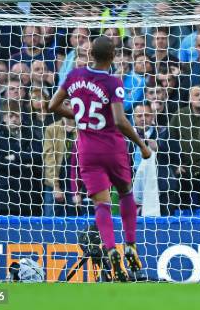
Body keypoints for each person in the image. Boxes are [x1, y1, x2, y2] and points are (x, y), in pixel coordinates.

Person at [48, 36, 152, 281]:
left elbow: (52, 105)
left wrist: (78, 115)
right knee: (126, 193)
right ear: (114, 55)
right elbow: (118, 120)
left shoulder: (74, 76)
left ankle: (109, 248)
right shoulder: (113, 81)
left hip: (86, 149)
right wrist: (141, 145)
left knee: (101, 205)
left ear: (90, 54)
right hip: (112, 147)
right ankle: (130, 244)